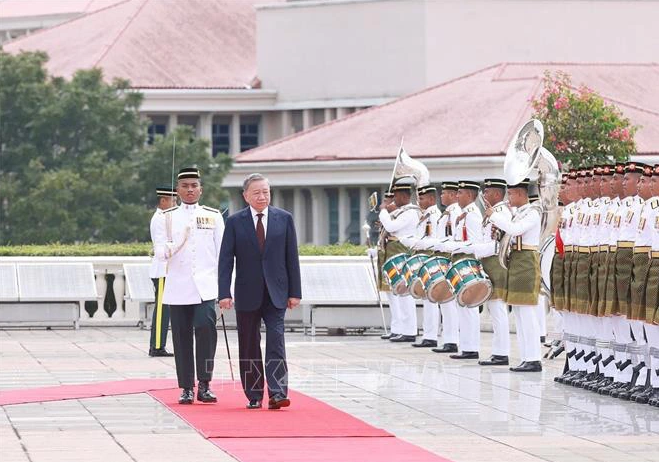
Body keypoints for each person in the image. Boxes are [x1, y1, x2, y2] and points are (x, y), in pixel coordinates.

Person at [218, 173, 301, 410]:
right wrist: (224, 293)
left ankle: (277, 392)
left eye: (266, 191)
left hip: (277, 293)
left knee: (276, 341)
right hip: (247, 292)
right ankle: (254, 393)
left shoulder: (284, 219)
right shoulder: (234, 222)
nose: (262, 196)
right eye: (257, 192)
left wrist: (295, 291)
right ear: (246, 196)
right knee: (249, 344)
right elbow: (225, 260)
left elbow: (291, 258)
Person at [153, 167, 224, 404]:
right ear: (178, 190)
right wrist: (173, 245)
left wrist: (226, 289)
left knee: (206, 329)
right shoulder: (167, 217)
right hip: (178, 286)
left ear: (201, 189)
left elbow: (222, 254)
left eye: (194, 186)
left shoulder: (213, 216)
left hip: (205, 286)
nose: (190, 190)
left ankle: (205, 383)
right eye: (185, 186)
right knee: (181, 338)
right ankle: (186, 387)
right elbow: (160, 252)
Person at [487, 178, 542, 372]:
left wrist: (495, 216)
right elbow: (510, 233)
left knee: (527, 313)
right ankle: (527, 357)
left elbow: (515, 230)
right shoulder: (519, 213)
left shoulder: (533, 212)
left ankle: (534, 357)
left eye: (511, 194)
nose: (508, 198)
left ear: (520, 194)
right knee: (519, 312)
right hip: (517, 260)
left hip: (526, 260)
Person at [462, 179, 512, 366]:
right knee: (493, 310)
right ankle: (497, 351)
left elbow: (498, 243)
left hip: (496, 263)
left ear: (497, 194)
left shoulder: (501, 213)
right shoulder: (492, 213)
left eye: (488, 191)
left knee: (498, 310)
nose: (484, 194)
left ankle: (502, 353)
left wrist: (476, 250)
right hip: (488, 263)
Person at [378, 176, 422, 342]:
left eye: (395, 197)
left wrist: (383, 210)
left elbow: (391, 227)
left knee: (404, 294)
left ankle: (409, 331)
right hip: (393, 252)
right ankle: (399, 328)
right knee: (394, 293)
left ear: (404, 196)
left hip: (402, 253)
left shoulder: (410, 213)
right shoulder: (400, 212)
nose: (393, 200)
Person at [410, 184, 441, 348]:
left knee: (431, 299)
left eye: (421, 198)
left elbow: (434, 240)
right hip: (423, 257)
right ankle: (428, 334)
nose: (418, 201)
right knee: (426, 299)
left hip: (430, 257)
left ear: (431, 199)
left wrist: (416, 242)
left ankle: (431, 335)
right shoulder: (425, 215)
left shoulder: (435, 215)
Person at [148, 186, 177, 357]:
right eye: (173, 201)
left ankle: (159, 344)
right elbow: (164, 245)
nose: (175, 204)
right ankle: (157, 346)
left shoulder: (166, 217)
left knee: (165, 309)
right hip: (162, 270)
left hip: (166, 270)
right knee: (161, 310)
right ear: (163, 201)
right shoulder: (160, 218)